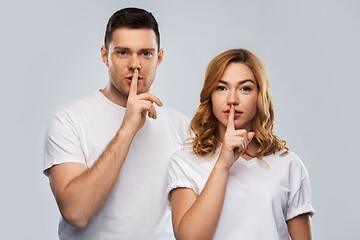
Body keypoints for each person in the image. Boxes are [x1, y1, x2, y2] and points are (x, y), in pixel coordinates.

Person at [43, 7, 189, 239]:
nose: (135, 64)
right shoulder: (68, 119)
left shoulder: (182, 127)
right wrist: (127, 129)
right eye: (123, 52)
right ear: (104, 55)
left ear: (159, 57)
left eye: (146, 53)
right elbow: (76, 212)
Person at [167, 49, 315, 240]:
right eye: (221, 88)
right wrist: (222, 164)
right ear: (210, 95)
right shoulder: (184, 162)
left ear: (260, 96)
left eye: (245, 88)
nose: (232, 100)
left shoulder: (288, 164)